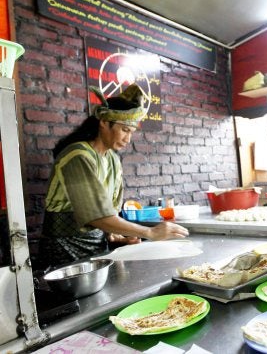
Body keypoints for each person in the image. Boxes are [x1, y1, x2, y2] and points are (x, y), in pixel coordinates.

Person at [37, 84, 189, 269]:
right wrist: (150, 232)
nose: (128, 139)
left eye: (131, 132)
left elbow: (108, 213)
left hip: (97, 246)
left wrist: (113, 235)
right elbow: (97, 217)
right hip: (63, 249)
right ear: (103, 122)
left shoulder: (113, 161)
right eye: (124, 130)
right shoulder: (77, 156)